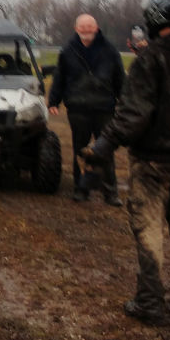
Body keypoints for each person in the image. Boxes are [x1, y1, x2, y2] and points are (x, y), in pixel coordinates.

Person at [80, 0, 170, 325]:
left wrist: (103, 146)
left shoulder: (152, 58)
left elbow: (133, 114)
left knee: (149, 228)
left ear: (158, 18)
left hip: (153, 159)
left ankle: (150, 303)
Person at [47, 13, 126, 204]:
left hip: (104, 108)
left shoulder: (109, 50)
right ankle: (81, 190)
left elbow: (120, 79)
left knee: (105, 150)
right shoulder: (68, 51)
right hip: (78, 108)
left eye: (89, 27)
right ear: (76, 29)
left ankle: (111, 192)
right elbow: (60, 78)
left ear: (96, 28)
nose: (86, 30)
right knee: (80, 150)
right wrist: (53, 101)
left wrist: (125, 101)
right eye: (82, 27)